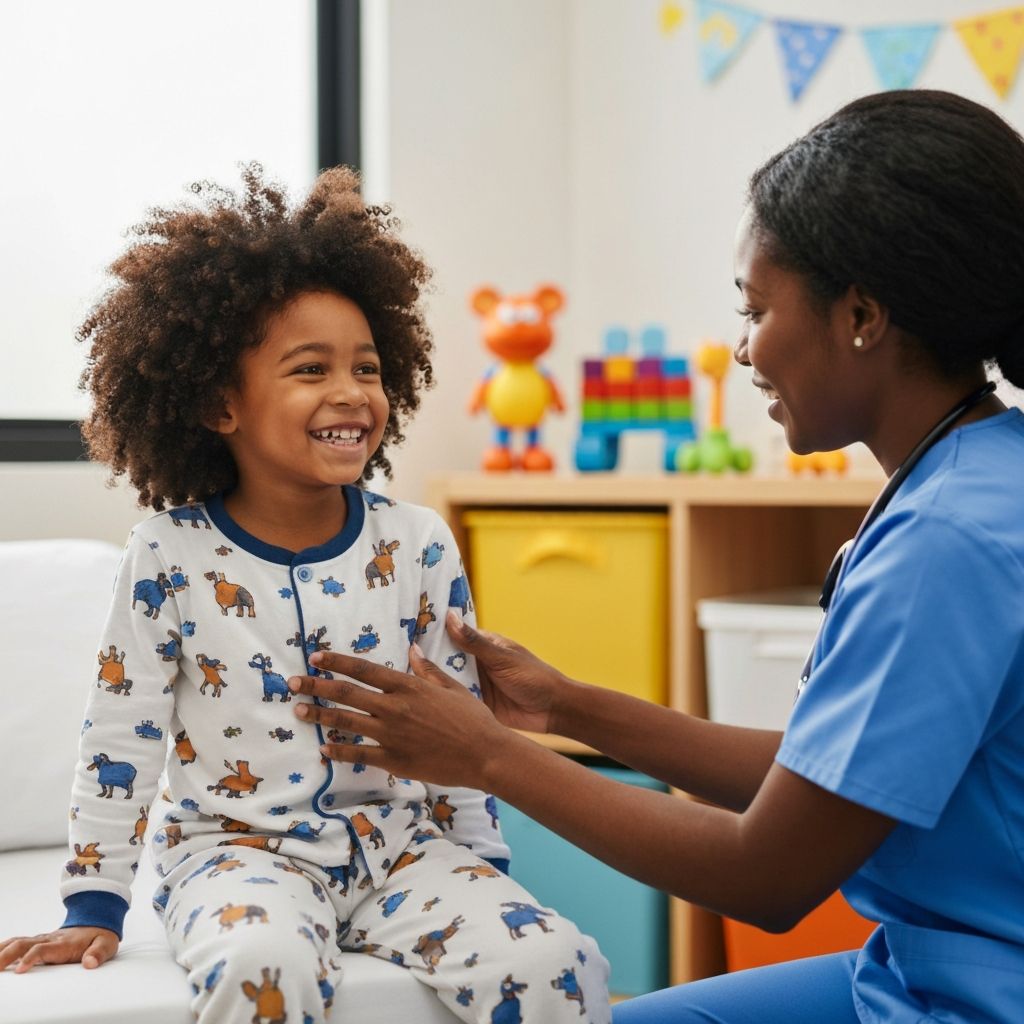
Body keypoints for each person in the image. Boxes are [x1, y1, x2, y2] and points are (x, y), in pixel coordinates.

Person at [279, 90, 1024, 1024]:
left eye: (754, 310)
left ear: (863, 314)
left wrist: (491, 755)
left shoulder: (949, 543)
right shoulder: (975, 474)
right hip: (924, 962)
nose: (744, 350)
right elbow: (826, 780)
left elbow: (769, 871)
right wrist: (569, 706)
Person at [0, 164, 611, 1024]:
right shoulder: (166, 554)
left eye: (367, 367)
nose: (351, 393)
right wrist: (94, 904)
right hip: (233, 854)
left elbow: (462, 723)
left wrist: (480, 868)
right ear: (220, 405)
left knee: (560, 959)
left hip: (402, 849)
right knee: (263, 964)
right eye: (310, 369)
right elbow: (119, 734)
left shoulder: (418, 542)